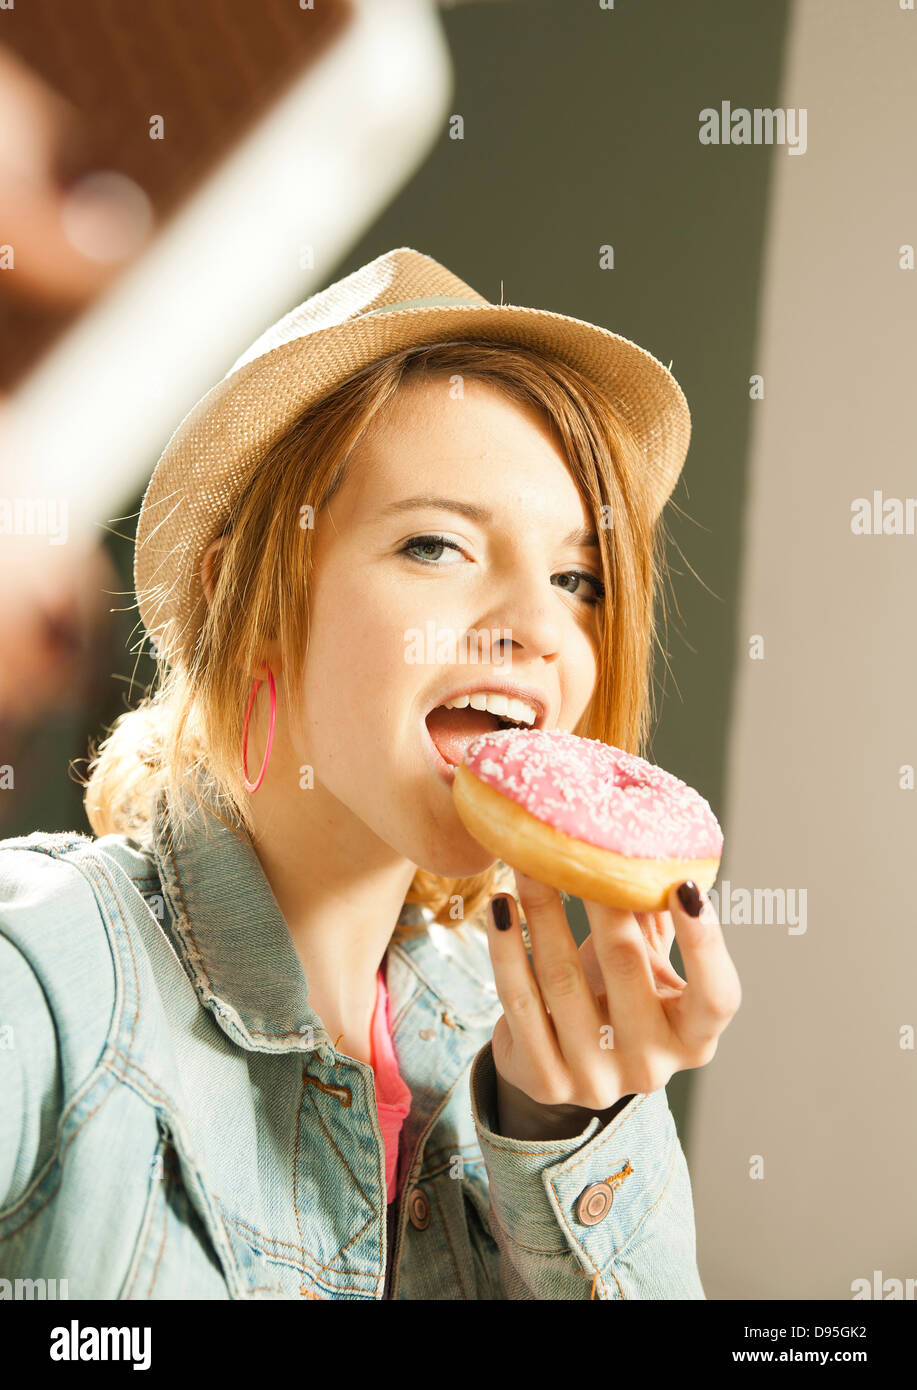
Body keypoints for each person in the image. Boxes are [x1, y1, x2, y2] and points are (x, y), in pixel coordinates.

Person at [0, 247, 741, 1300]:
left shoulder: (535, 1061)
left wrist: (565, 1141)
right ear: (245, 600)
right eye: (436, 546)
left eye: (576, 577)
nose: (539, 627)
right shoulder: (45, 975)